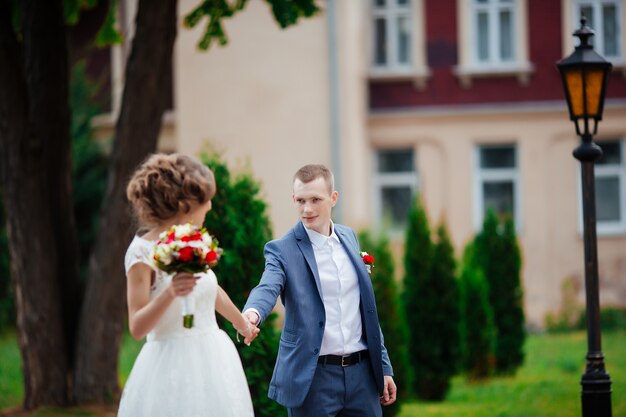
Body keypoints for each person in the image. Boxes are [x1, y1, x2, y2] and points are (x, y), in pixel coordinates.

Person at [243, 164, 397, 417]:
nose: (307, 209)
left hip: (362, 377)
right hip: (313, 378)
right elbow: (267, 286)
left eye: (316, 199)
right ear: (293, 199)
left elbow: (366, 310)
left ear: (333, 198)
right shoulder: (281, 250)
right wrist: (252, 314)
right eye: (301, 200)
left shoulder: (349, 237)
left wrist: (384, 367)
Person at [118, 153, 259, 417]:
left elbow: (211, 289)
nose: (210, 207)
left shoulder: (193, 240)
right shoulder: (140, 254)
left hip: (213, 361)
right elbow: (136, 327)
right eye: (205, 201)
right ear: (185, 205)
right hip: (167, 367)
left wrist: (242, 324)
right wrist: (170, 292)